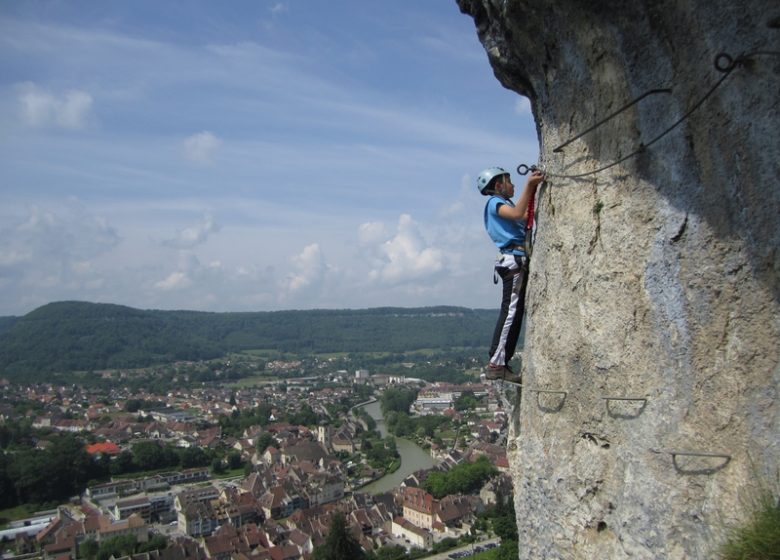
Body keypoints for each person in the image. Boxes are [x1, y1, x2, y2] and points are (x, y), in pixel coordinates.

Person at [477, 166, 545, 383]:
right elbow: (518, 215)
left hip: (516, 260)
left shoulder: (505, 203)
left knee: (513, 315)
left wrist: (533, 191)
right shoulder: (494, 202)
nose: (514, 185)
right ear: (498, 185)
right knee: (510, 313)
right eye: (510, 181)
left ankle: (501, 362)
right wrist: (530, 184)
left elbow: (524, 216)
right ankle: (496, 363)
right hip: (513, 261)